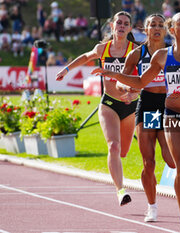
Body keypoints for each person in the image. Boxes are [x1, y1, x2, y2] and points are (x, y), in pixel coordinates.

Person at [91, 12, 180, 233]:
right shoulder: (155, 56)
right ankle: (178, 218)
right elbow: (138, 81)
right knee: (161, 162)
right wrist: (112, 75)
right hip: (162, 111)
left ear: (165, 30)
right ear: (172, 30)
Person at [56, 11, 139, 207]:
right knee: (114, 146)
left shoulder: (135, 51)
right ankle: (121, 191)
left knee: (124, 151)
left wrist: (134, 94)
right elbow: (86, 56)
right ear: (112, 26)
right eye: (118, 22)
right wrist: (66, 69)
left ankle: (118, 174)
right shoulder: (103, 49)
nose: (121, 25)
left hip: (130, 105)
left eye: (125, 23)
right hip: (109, 103)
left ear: (130, 28)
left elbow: (143, 79)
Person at [122, 13, 175, 223]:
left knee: (170, 160)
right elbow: (123, 80)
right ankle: (152, 206)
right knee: (149, 161)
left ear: (165, 30)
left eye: (160, 25)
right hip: (149, 106)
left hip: (168, 106)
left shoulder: (174, 52)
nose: (156, 28)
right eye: (152, 24)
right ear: (146, 29)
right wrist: (127, 88)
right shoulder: (137, 54)